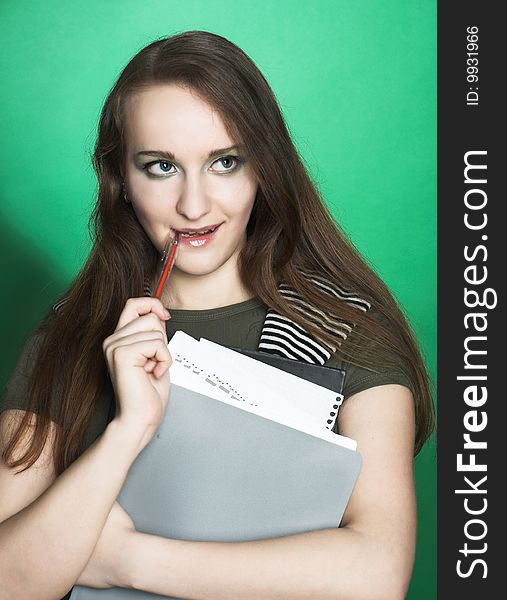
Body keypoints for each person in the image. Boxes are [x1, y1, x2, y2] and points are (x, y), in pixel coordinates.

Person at [0, 30, 434, 600]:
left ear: (264, 169)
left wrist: (126, 560)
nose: (194, 205)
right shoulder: (70, 336)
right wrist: (129, 432)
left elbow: (377, 575)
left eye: (224, 162)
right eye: (160, 167)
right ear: (121, 182)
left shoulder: (347, 332)